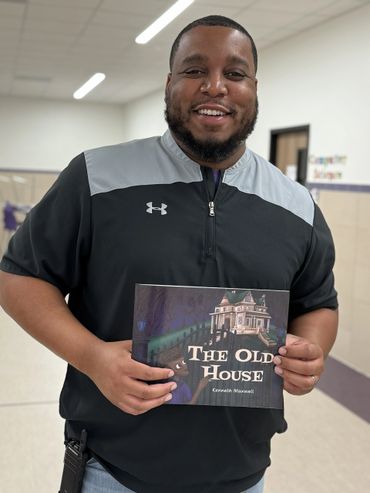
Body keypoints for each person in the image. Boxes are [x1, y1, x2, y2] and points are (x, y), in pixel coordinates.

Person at [0, 15, 338, 493]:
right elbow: (18, 277)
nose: (215, 86)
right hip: (112, 471)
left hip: (243, 476)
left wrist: (312, 350)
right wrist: (93, 357)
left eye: (235, 74)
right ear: (170, 82)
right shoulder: (97, 178)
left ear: (254, 88)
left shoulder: (298, 206)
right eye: (195, 70)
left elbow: (318, 303)